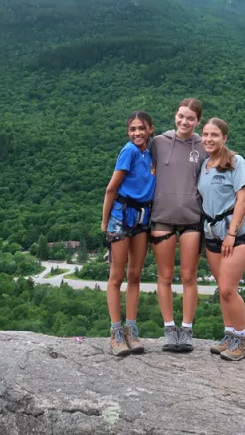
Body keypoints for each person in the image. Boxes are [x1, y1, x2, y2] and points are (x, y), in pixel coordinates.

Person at [197, 118, 245, 361]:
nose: (209, 139)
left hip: (237, 234)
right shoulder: (204, 165)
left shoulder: (235, 162)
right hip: (212, 234)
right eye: (205, 134)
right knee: (222, 291)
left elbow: (244, 198)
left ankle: (243, 339)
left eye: (215, 135)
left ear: (224, 138)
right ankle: (230, 334)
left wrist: (232, 233)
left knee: (228, 288)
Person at [148, 98, 204, 352]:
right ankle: (170, 329)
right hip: (162, 216)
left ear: (198, 121)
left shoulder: (204, 145)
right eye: (181, 116)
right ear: (175, 115)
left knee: (189, 277)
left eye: (190, 118)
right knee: (165, 276)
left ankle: (187, 329)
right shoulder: (158, 143)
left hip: (192, 218)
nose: (184, 121)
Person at [101, 111, 155, 356]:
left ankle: (131, 330)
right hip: (121, 218)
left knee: (135, 275)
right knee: (117, 276)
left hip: (142, 218)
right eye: (132, 129)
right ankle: (115, 333)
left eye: (141, 128)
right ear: (127, 132)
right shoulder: (129, 151)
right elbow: (111, 188)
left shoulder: (150, 152)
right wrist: (105, 224)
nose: (137, 133)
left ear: (150, 130)